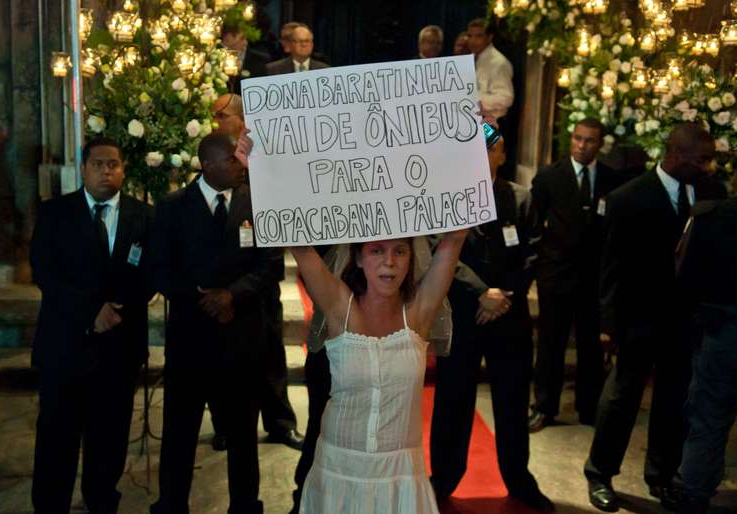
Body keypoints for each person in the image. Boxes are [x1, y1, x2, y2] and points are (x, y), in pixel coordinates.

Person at [236, 129, 470, 513]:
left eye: (399, 252)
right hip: (338, 473)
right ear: (359, 258)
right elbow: (298, 240)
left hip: (401, 477)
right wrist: (258, 170)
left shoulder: (421, 311)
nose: (389, 262)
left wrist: (471, 159)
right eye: (377, 251)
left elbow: (454, 239)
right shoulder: (339, 305)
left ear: (411, 259)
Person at [583, 123, 718, 512]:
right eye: (701, 159)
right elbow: (609, 268)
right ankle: (600, 474)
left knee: (674, 401)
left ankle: (659, 476)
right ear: (676, 155)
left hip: (687, 321)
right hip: (638, 319)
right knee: (622, 399)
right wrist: (608, 326)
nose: (708, 167)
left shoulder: (711, 194)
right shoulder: (629, 198)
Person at [149, 133, 283, 514]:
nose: (241, 165)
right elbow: (158, 269)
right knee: (180, 434)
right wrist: (203, 300)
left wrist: (232, 296)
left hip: (242, 342)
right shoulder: (172, 207)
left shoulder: (257, 204)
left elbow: (270, 265)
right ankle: (172, 505)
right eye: (231, 159)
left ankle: (245, 506)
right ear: (207, 165)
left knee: (243, 435)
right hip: (191, 341)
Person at [430, 135, 554, 511]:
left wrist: (503, 296)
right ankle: (443, 479)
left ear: (502, 153)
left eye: (491, 148)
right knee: (452, 401)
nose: (482, 155)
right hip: (464, 313)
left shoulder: (520, 197)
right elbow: (439, 248)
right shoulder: (446, 195)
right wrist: (481, 292)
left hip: (509, 315)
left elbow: (534, 251)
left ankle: (519, 480)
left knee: (513, 402)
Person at [30, 137, 153, 514]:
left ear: (123, 169)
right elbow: (45, 273)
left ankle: (102, 503)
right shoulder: (55, 214)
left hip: (119, 347)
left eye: (113, 164)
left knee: (108, 443)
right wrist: (90, 313)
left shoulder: (143, 216)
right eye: (98, 164)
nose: (106, 171)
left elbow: (152, 272)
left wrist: (117, 309)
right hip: (64, 346)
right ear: (83, 168)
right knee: (57, 441)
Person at [210, 94, 303, 451]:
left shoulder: (265, 157)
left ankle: (279, 421)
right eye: (215, 116)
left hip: (260, 273)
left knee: (270, 350)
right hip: (224, 277)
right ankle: (224, 425)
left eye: (223, 115)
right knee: (220, 357)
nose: (217, 121)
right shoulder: (215, 155)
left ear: (242, 119)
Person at [529, 118, 625, 431]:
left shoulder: (612, 180)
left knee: (590, 346)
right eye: (578, 139)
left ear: (600, 144)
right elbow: (533, 225)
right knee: (550, 344)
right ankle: (544, 407)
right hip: (556, 275)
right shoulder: (549, 176)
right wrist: (539, 266)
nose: (582, 146)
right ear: (572, 139)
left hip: (593, 278)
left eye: (590, 141)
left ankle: (588, 408)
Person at [670, 196, 737, 514]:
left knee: (708, 417)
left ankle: (694, 494)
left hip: (720, 329)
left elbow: (684, 271)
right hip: (720, 327)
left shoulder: (711, 216)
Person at [466, 18, 513, 120]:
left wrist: (471, 100)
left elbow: (505, 98)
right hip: (473, 121)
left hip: (491, 123)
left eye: (478, 36)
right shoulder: (471, 59)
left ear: (489, 37)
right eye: (470, 36)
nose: (473, 41)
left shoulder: (499, 63)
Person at [221, 26, 270, 94]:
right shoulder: (213, 58)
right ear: (227, 39)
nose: (246, 43)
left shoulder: (260, 60)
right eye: (242, 38)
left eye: (245, 38)